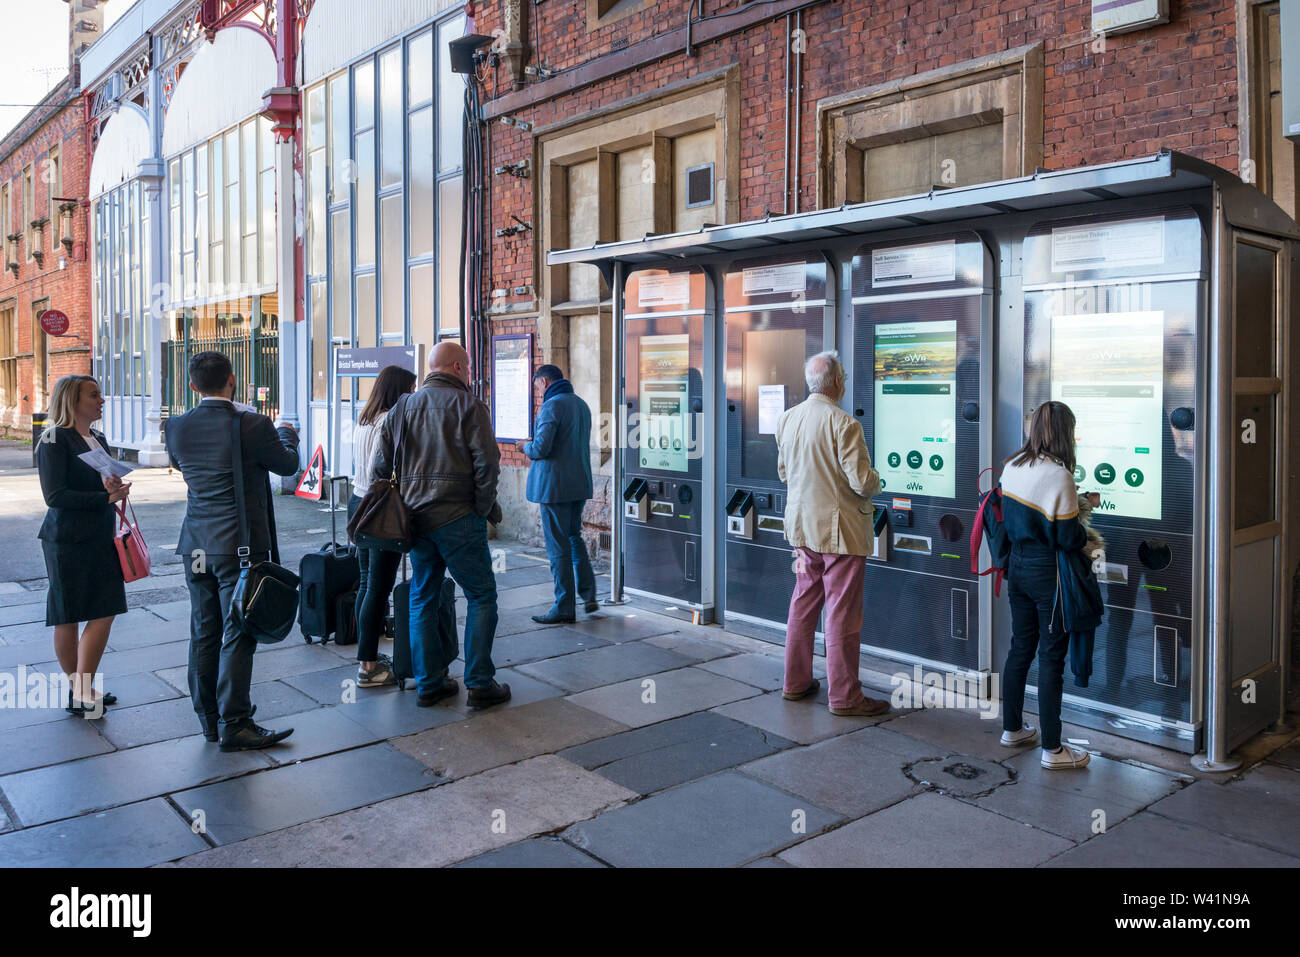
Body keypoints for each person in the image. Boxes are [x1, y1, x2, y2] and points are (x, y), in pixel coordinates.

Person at [164, 351, 300, 751]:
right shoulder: (253, 425)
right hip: (239, 547)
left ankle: (209, 721)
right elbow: (288, 464)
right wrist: (286, 431)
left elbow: (183, 464)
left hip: (196, 546)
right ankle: (236, 722)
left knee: (204, 631)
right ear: (232, 380)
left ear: (193, 386)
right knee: (238, 631)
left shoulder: (176, 427)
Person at [372, 341, 509, 710]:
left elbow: (379, 469)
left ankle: (430, 683)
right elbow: (488, 464)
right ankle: (480, 682)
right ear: (458, 367)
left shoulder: (402, 407)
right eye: (466, 366)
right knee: (481, 596)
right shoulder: (469, 405)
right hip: (459, 517)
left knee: (423, 596)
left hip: (415, 522)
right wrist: (480, 507)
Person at [774, 351, 889, 717]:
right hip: (839, 533)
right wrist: (880, 480)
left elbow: (783, 473)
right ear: (837, 382)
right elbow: (862, 482)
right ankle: (845, 696)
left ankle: (795, 683)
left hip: (802, 529)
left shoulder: (788, 419)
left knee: (803, 604)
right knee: (842, 613)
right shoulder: (844, 424)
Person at [998, 399, 1092, 770]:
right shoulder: (1060, 475)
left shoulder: (1012, 465)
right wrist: (1082, 512)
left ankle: (1012, 728)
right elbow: (1068, 537)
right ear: (1064, 434)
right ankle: (1053, 749)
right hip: (1048, 573)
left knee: (1020, 649)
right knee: (1051, 658)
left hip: (1017, 568)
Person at [37, 375, 131, 718]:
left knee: (104, 610)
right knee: (69, 615)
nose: (101, 400)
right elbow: (55, 496)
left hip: (100, 536)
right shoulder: (53, 439)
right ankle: (80, 690)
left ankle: (83, 687)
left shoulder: (98, 438)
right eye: (94, 395)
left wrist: (113, 485)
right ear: (72, 400)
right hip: (68, 539)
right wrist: (104, 496)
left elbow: (99, 484)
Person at [349, 364, 417, 687]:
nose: (414, 395)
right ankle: (369, 666)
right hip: (380, 508)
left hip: (357, 502)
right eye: (411, 389)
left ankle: (367, 655)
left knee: (366, 583)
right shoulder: (391, 421)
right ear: (399, 391)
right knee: (379, 588)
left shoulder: (363, 421)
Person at [516, 364, 597, 624]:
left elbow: (541, 448)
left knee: (557, 546)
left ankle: (564, 607)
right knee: (574, 538)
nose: (538, 391)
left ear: (546, 381)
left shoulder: (552, 406)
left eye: (537, 386)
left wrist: (523, 446)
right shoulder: (581, 404)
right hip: (578, 484)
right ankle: (589, 595)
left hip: (554, 488)